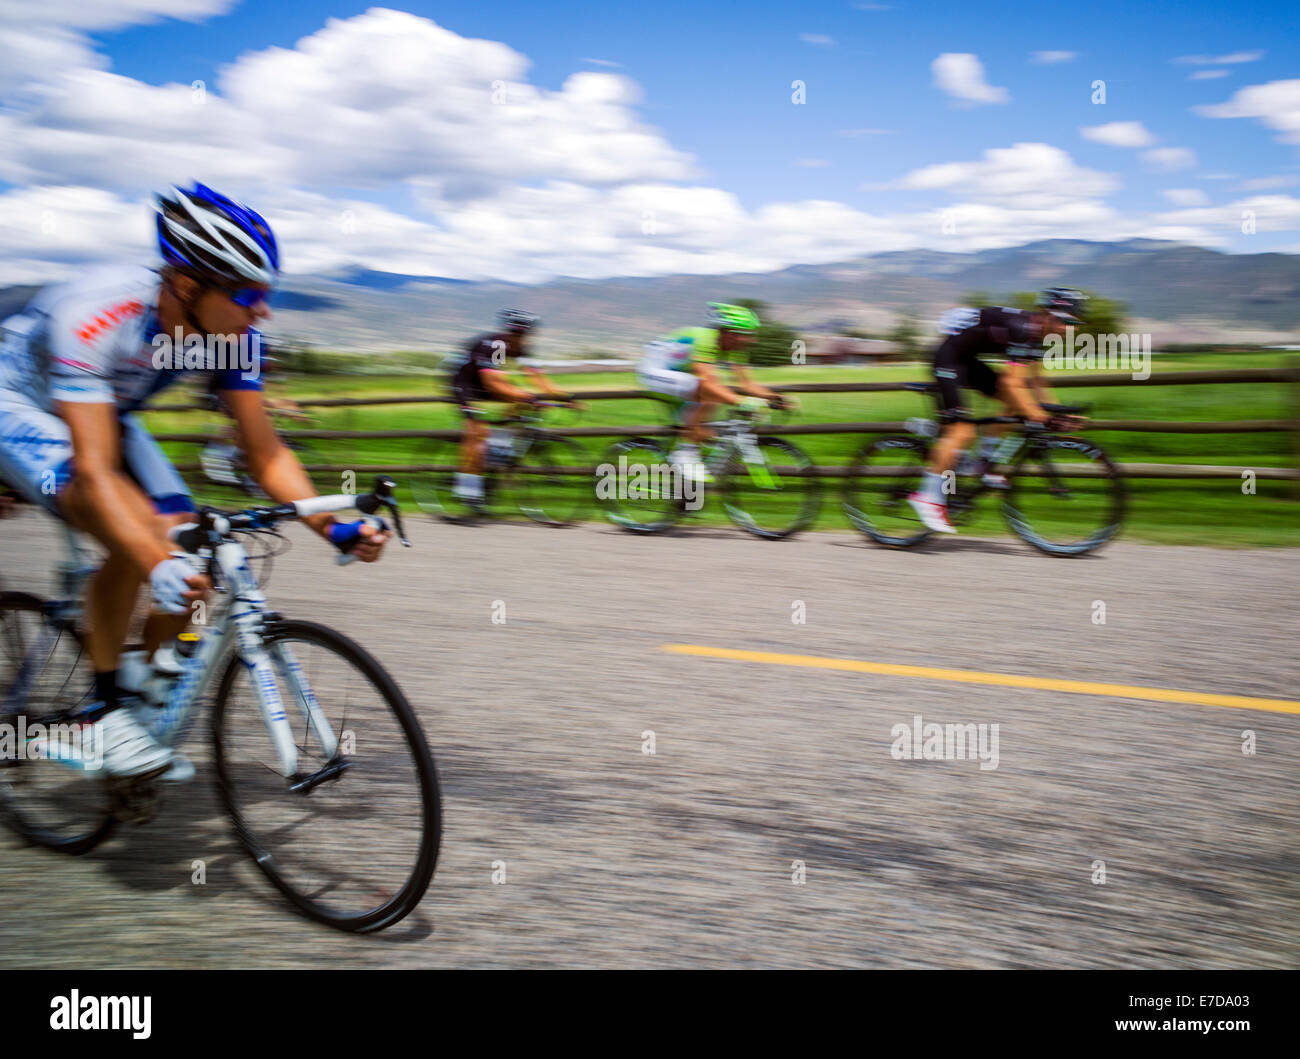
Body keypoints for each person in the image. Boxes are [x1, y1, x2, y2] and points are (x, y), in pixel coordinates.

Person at [0, 183, 387, 784]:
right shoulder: (99, 316)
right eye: (247, 293)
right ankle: (101, 714)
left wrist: (332, 524)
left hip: (105, 411)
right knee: (139, 533)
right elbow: (96, 474)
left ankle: (141, 683)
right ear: (186, 285)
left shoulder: (234, 337)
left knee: (190, 549)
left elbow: (265, 454)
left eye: (267, 292)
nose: (263, 310)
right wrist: (155, 559)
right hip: (19, 405)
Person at [907, 288, 1087, 534]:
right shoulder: (1022, 328)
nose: (1070, 329)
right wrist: (1039, 415)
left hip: (967, 360)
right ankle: (926, 497)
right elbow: (1011, 382)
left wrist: (1054, 410)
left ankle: (983, 462)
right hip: (947, 359)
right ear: (1046, 314)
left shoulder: (1038, 334)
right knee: (963, 431)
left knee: (1016, 402)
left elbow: (1035, 380)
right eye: (1065, 321)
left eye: (1074, 323)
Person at [636, 303, 789, 480]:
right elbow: (707, 383)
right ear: (729, 332)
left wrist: (774, 398)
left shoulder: (734, 350)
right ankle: (684, 454)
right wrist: (741, 401)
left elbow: (747, 384)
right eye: (747, 335)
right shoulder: (705, 339)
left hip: (678, 376)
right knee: (707, 394)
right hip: (653, 371)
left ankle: (685, 496)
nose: (752, 340)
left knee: (701, 429)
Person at [446, 309, 572, 504]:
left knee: (518, 405)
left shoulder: (522, 349)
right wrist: (526, 396)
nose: (522, 339)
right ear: (511, 332)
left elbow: (537, 377)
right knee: (477, 433)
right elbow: (493, 383)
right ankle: (467, 490)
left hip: (483, 380)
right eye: (519, 334)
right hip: (463, 384)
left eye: (525, 335)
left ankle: (497, 450)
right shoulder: (497, 346)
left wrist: (566, 397)